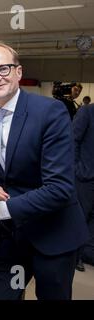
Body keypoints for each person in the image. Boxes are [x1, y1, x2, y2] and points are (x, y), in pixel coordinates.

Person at [0, 42, 88, 300]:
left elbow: (60, 189)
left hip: (53, 234)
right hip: (14, 236)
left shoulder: (49, 112)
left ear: (19, 72)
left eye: (3, 69)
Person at [73, 103, 94, 271]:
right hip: (85, 177)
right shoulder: (87, 111)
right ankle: (75, 256)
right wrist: (76, 168)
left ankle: (88, 253)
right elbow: (73, 140)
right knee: (81, 217)